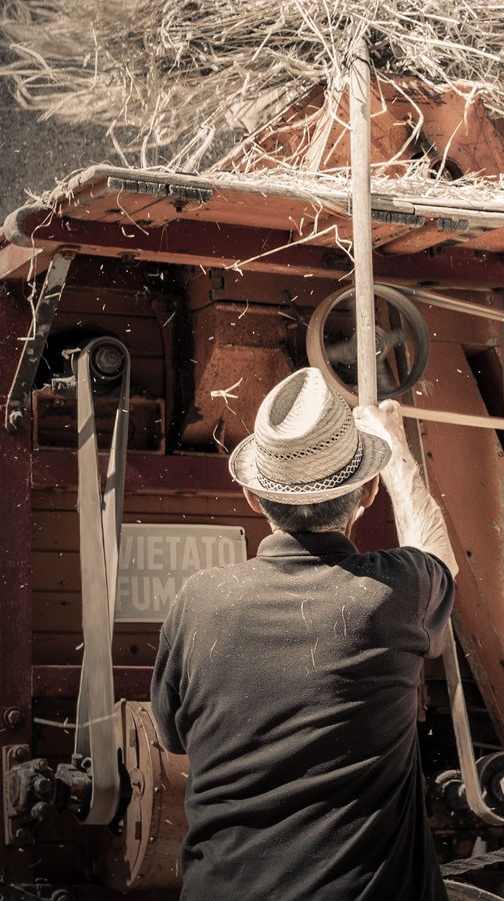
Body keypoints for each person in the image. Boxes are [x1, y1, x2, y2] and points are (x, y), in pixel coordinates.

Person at [152, 368, 458, 900]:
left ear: (254, 498)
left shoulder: (196, 604)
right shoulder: (391, 595)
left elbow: (172, 740)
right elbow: (437, 555)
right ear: (367, 492)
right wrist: (395, 449)